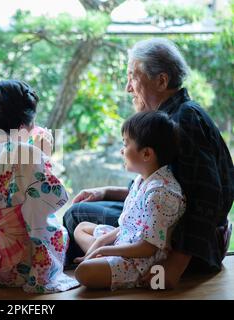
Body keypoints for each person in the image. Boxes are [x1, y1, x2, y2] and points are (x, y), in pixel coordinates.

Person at [64, 38, 234, 289]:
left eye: (133, 77)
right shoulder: (171, 116)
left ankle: (102, 268)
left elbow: (206, 195)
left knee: (76, 215)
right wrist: (105, 191)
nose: (127, 88)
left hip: (190, 252)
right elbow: (163, 190)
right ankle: (104, 262)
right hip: (175, 235)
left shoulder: (184, 120)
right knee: (85, 211)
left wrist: (173, 266)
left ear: (162, 81)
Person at [0, 80, 79, 293]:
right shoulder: (26, 152)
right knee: (58, 229)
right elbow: (52, 199)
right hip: (19, 265)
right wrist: (43, 155)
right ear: (25, 122)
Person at [74, 111, 185, 290]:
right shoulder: (143, 180)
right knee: (81, 228)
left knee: (83, 273)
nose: (121, 150)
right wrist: (100, 243)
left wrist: (104, 250)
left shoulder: (160, 193)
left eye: (125, 144)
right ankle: (99, 259)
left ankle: (104, 263)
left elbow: (148, 248)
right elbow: (129, 225)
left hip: (141, 260)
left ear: (147, 154)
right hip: (127, 239)